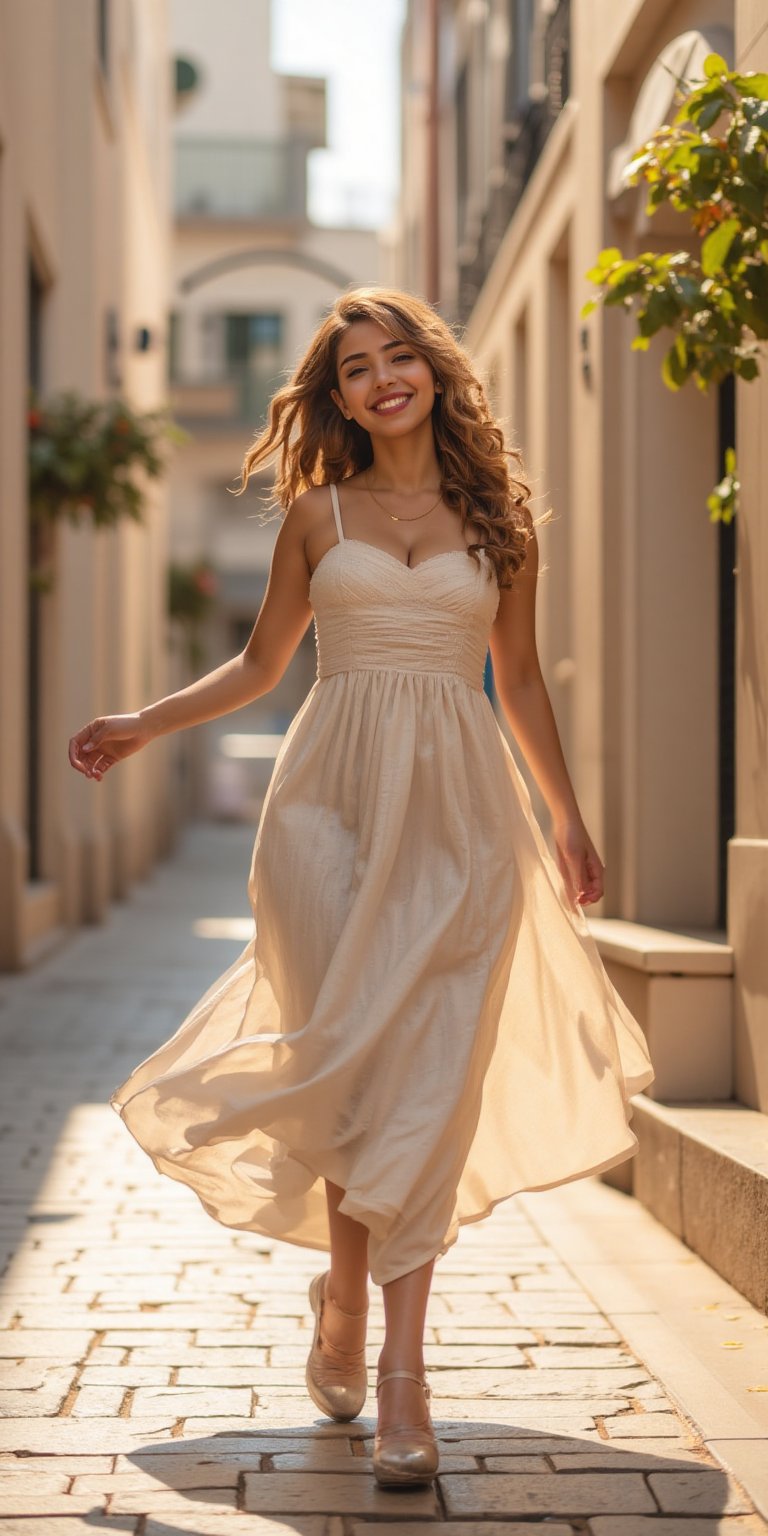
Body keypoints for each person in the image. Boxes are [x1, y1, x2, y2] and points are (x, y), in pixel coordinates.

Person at [68, 286, 655, 1488]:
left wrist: (568, 816)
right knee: (347, 1054)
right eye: (355, 369)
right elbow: (259, 663)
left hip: (460, 815)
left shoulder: (501, 519)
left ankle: (398, 1372)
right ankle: (346, 1299)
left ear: (435, 370)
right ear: (334, 398)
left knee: (426, 1071)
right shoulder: (315, 512)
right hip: (325, 810)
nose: (382, 379)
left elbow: (523, 682)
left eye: (399, 357)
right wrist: (142, 721)